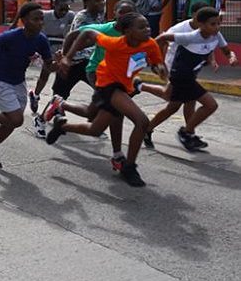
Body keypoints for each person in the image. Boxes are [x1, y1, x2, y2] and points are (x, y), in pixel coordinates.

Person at [46, 12, 166, 187]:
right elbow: (86, 34)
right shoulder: (114, 43)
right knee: (141, 121)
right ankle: (128, 167)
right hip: (107, 84)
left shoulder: (150, 44)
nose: (147, 29)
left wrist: (160, 69)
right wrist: (67, 57)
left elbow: (156, 62)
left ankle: (62, 124)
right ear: (127, 31)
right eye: (141, 27)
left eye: (147, 26)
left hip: (124, 86)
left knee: (95, 128)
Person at [39, 0, 137, 169]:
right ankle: (117, 155)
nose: (125, 16)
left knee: (92, 112)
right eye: (122, 12)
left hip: (118, 77)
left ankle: (60, 104)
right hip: (98, 73)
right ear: (115, 14)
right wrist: (66, 58)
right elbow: (73, 35)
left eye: (129, 13)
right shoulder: (105, 29)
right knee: (115, 111)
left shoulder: (136, 32)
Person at [145, 7, 237, 151]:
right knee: (211, 105)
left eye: (218, 23)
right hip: (180, 76)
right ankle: (186, 133)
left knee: (172, 107)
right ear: (201, 25)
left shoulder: (216, 36)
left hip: (190, 75)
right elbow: (162, 38)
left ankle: (147, 130)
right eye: (213, 24)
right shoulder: (190, 37)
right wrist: (155, 60)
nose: (217, 27)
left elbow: (227, 51)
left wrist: (232, 57)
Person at [0, 2, 54, 168]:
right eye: (35, 19)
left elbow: (50, 65)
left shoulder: (41, 39)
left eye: (41, 19)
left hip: (19, 82)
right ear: (24, 20)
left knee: (12, 121)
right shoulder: (12, 36)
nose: (40, 23)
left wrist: (59, 64)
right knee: (16, 119)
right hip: (0, 80)